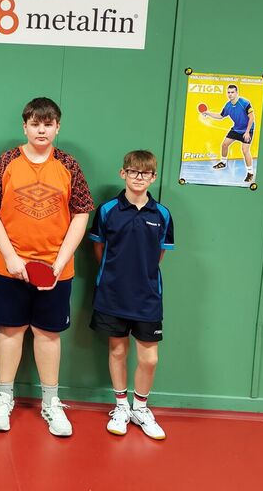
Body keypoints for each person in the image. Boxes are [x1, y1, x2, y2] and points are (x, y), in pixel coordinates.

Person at [0, 97, 93, 437]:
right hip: (8, 267)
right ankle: (4, 398)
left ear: (58, 127)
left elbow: (82, 213)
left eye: (48, 124)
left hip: (55, 270)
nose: (41, 130)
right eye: (35, 124)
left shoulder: (69, 165)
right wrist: (11, 257)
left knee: (48, 333)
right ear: (25, 127)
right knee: (10, 330)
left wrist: (59, 262)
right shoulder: (7, 162)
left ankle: (51, 403)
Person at [88, 150, 174, 440]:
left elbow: (159, 254)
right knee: (118, 351)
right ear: (122, 173)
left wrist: (141, 275)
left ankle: (140, 408)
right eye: (133, 172)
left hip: (147, 296)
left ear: (153, 177)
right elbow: (99, 249)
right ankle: (121, 407)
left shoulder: (162, 214)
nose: (139, 178)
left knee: (149, 359)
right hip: (112, 294)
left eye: (145, 173)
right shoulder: (107, 210)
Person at [202, 84, 256, 183]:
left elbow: (252, 117)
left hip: (247, 130)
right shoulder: (228, 105)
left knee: (245, 150)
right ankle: (223, 162)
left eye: (232, 92)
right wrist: (208, 113)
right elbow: (220, 116)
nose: (230, 94)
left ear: (237, 93)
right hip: (236, 129)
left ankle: (250, 173)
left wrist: (247, 132)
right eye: (228, 92)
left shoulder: (244, 103)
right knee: (224, 145)